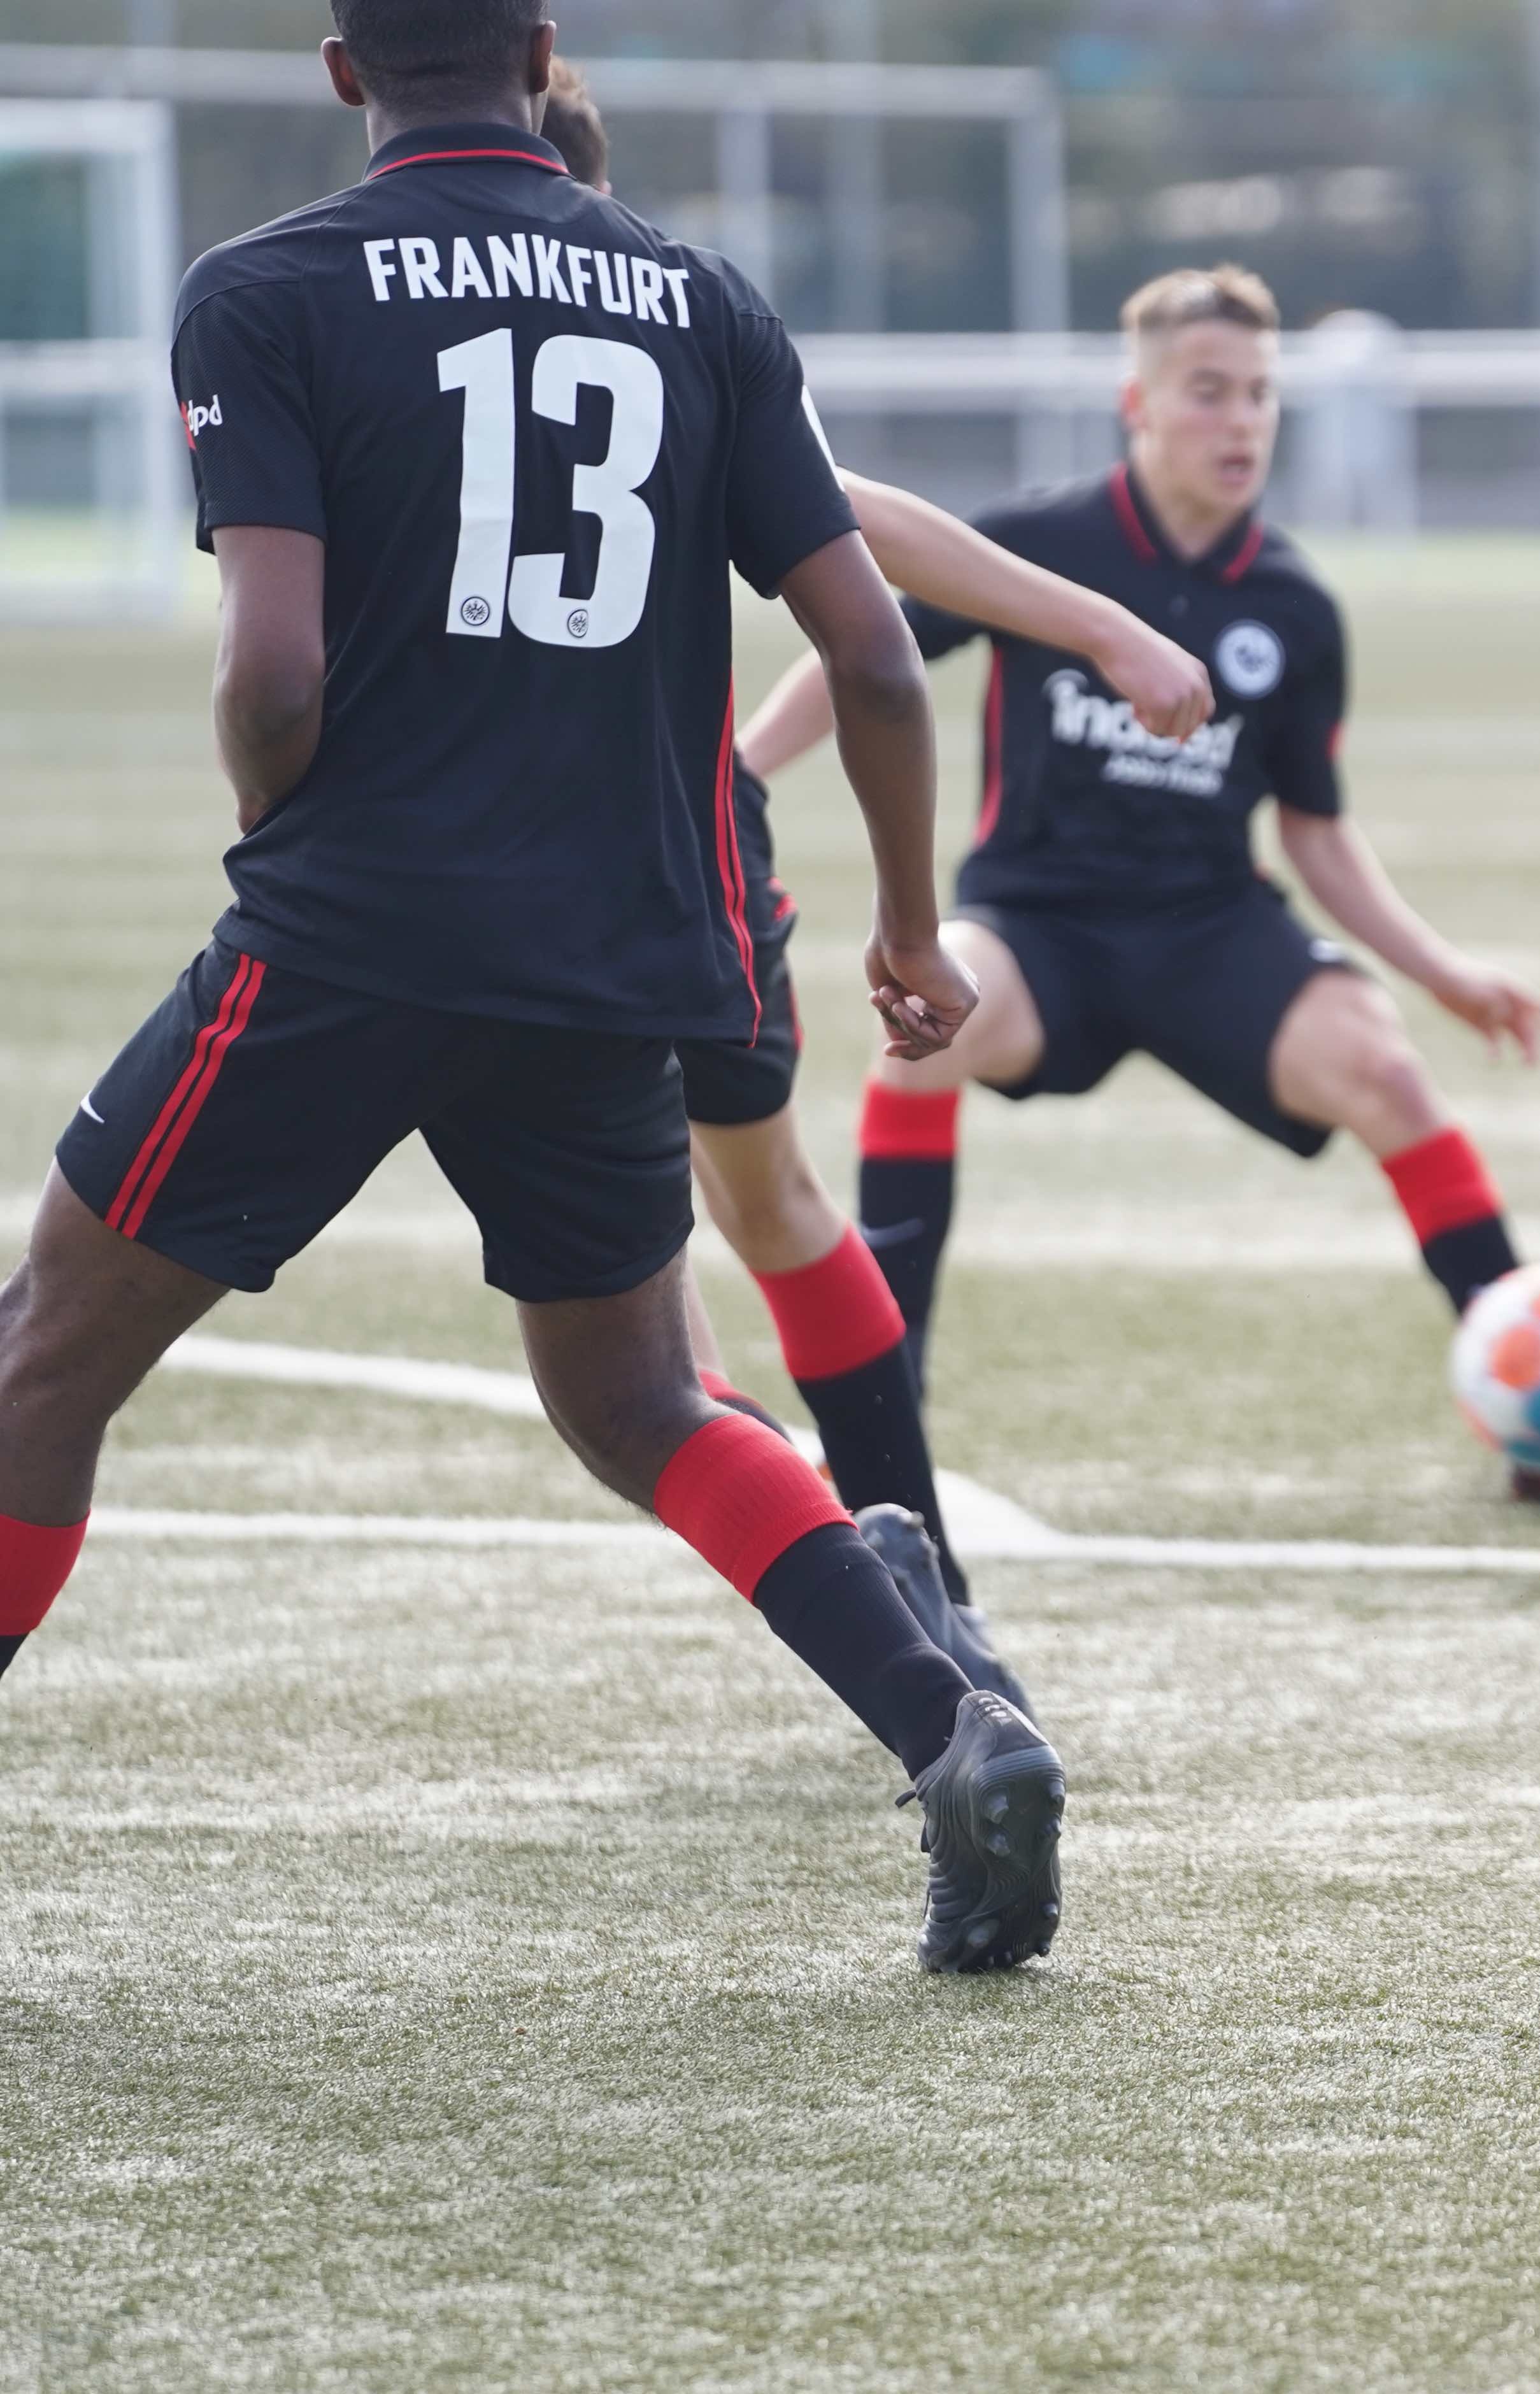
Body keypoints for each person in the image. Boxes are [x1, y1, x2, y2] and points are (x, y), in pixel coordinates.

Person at [0, 0, 1063, 1974]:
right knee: (645, 1395)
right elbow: (878, 656)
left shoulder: (264, 290)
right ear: (543, 52)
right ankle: (953, 1724)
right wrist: (914, 929)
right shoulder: (700, 298)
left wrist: (286, 822)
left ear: (343, 69)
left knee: (44, 1353)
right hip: (615, 955)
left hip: (354, 937)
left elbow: (274, 671)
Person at [741, 266, 1540, 1511]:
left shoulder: (1294, 604)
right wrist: (741, 771)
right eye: (1209, 391)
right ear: (1140, 405)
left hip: (1212, 929)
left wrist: (1443, 971)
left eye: (1261, 394)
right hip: (1038, 924)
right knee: (926, 1030)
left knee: (1381, 1067)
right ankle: (877, 1434)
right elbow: (864, 646)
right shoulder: (1040, 544)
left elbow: (1316, 833)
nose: (1241, 420)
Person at [534, 59, 1213, 1704]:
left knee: (628, 1333)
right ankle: (923, 1577)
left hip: (473, 866)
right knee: (761, 1209)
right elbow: (853, 536)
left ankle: (857, 1556)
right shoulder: (669, 310)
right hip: (693, 842)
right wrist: (1105, 624)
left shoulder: (372, 304)